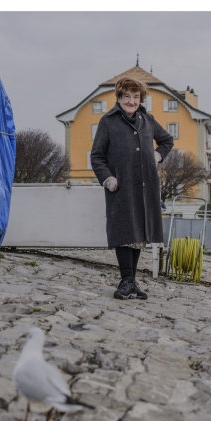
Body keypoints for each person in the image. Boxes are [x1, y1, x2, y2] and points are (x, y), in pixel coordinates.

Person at [91, 76, 174, 300]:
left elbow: (167, 141)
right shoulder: (108, 121)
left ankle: (130, 281)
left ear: (140, 99)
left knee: (138, 234)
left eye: (135, 97)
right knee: (123, 232)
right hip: (121, 186)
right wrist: (108, 178)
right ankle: (126, 280)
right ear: (119, 97)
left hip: (146, 186)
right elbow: (97, 156)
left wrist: (157, 155)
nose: (131, 101)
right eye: (126, 96)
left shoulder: (148, 120)